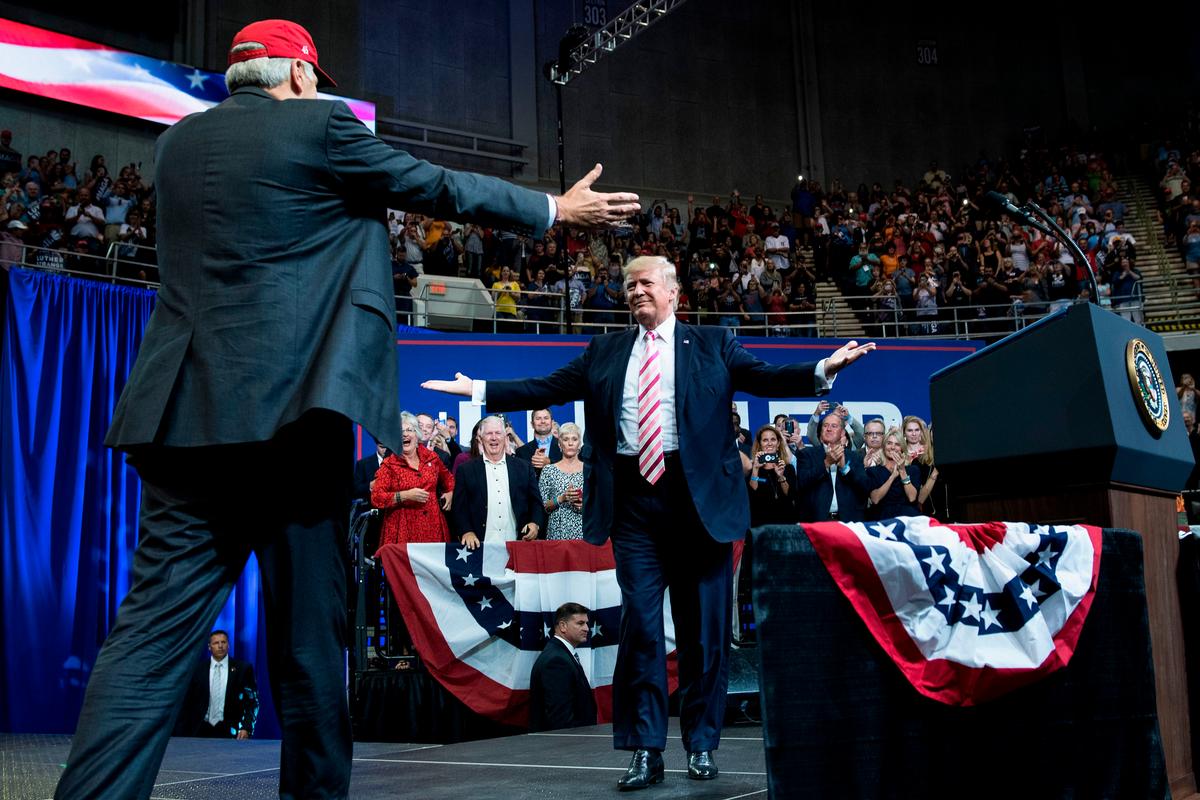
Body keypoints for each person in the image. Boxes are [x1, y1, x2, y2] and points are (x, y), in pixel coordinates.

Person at [56, 18, 639, 800]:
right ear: (299, 76)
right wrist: (552, 210)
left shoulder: (176, 147)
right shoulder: (322, 124)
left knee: (149, 640)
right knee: (307, 646)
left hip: (183, 420)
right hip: (294, 424)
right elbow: (436, 185)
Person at [421, 255, 873, 789]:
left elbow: (765, 375)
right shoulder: (606, 350)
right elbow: (544, 388)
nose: (635, 290)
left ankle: (702, 743)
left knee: (704, 634)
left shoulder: (713, 344)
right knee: (640, 629)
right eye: (628, 284)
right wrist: (477, 390)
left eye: (645, 282)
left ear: (673, 291)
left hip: (698, 503)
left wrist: (823, 369)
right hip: (634, 503)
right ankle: (646, 749)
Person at [452, 415, 544, 548]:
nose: (494, 437)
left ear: (505, 438)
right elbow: (459, 507)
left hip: (518, 544)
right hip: (479, 546)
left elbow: (536, 502)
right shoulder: (466, 470)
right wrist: (466, 531)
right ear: (480, 438)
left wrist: (535, 523)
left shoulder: (524, 467)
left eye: (498, 433)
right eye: (489, 433)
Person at [370, 413, 454, 548]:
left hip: (433, 528)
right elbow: (377, 497)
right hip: (402, 530)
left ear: (417, 435)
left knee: (433, 568)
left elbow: (449, 480)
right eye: (400, 431)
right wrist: (404, 495)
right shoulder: (389, 464)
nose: (405, 434)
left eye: (409, 430)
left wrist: (450, 492)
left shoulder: (432, 458)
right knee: (405, 569)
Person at [175, 631, 258, 740]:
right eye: (216, 643)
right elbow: (186, 703)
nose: (220, 646)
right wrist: (182, 731)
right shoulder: (196, 670)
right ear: (209, 647)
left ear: (228, 645)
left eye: (223, 642)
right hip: (199, 731)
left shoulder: (243, 669)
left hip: (230, 732)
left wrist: (246, 727)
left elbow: (251, 702)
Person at [529, 602, 597, 732]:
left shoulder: (560, 654)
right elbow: (560, 719)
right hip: (566, 745)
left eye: (586, 623)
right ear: (563, 626)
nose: (587, 628)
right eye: (580, 623)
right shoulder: (556, 661)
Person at [794, 412, 869, 523]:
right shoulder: (807, 454)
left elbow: (864, 487)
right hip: (817, 521)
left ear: (842, 432)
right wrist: (826, 463)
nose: (829, 429)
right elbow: (802, 483)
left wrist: (845, 469)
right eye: (825, 425)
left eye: (834, 426)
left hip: (849, 522)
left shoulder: (855, 456)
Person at [740, 425, 797, 526]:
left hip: (785, 523)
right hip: (760, 525)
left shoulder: (787, 468)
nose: (769, 443)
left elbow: (789, 495)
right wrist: (756, 469)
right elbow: (752, 494)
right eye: (765, 440)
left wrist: (780, 476)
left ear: (778, 443)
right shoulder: (751, 467)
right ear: (760, 444)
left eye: (773, 439)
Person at [540, 422, 585, 540]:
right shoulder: (548, 470)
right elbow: (543, 506)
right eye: (566, 439)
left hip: (584, 534)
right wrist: (562, 498)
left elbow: (599, 505)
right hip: (556, 535)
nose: (570, 443)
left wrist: (584, 504)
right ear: (560, 444)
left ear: (579, 444)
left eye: (574, 439)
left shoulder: (589, 471)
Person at [865, 427, 922, 519]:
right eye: (889, 443)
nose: (892, 447)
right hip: (882, 518)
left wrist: (902, 471)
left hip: (907, 518)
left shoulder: (913, 470)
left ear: (902, 448)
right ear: (884, 447)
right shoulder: (873, 471)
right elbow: (875, 499)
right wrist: (892, 477)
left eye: (897, 444)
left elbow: (912, 497)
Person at [515, 408, 562, 472]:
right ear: (532, 424)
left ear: (552, 422)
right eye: (538, 418)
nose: (542, 421)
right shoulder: (521, 452)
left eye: (546, 418)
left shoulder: (564, 446)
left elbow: (570, 469)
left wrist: (549, 463)